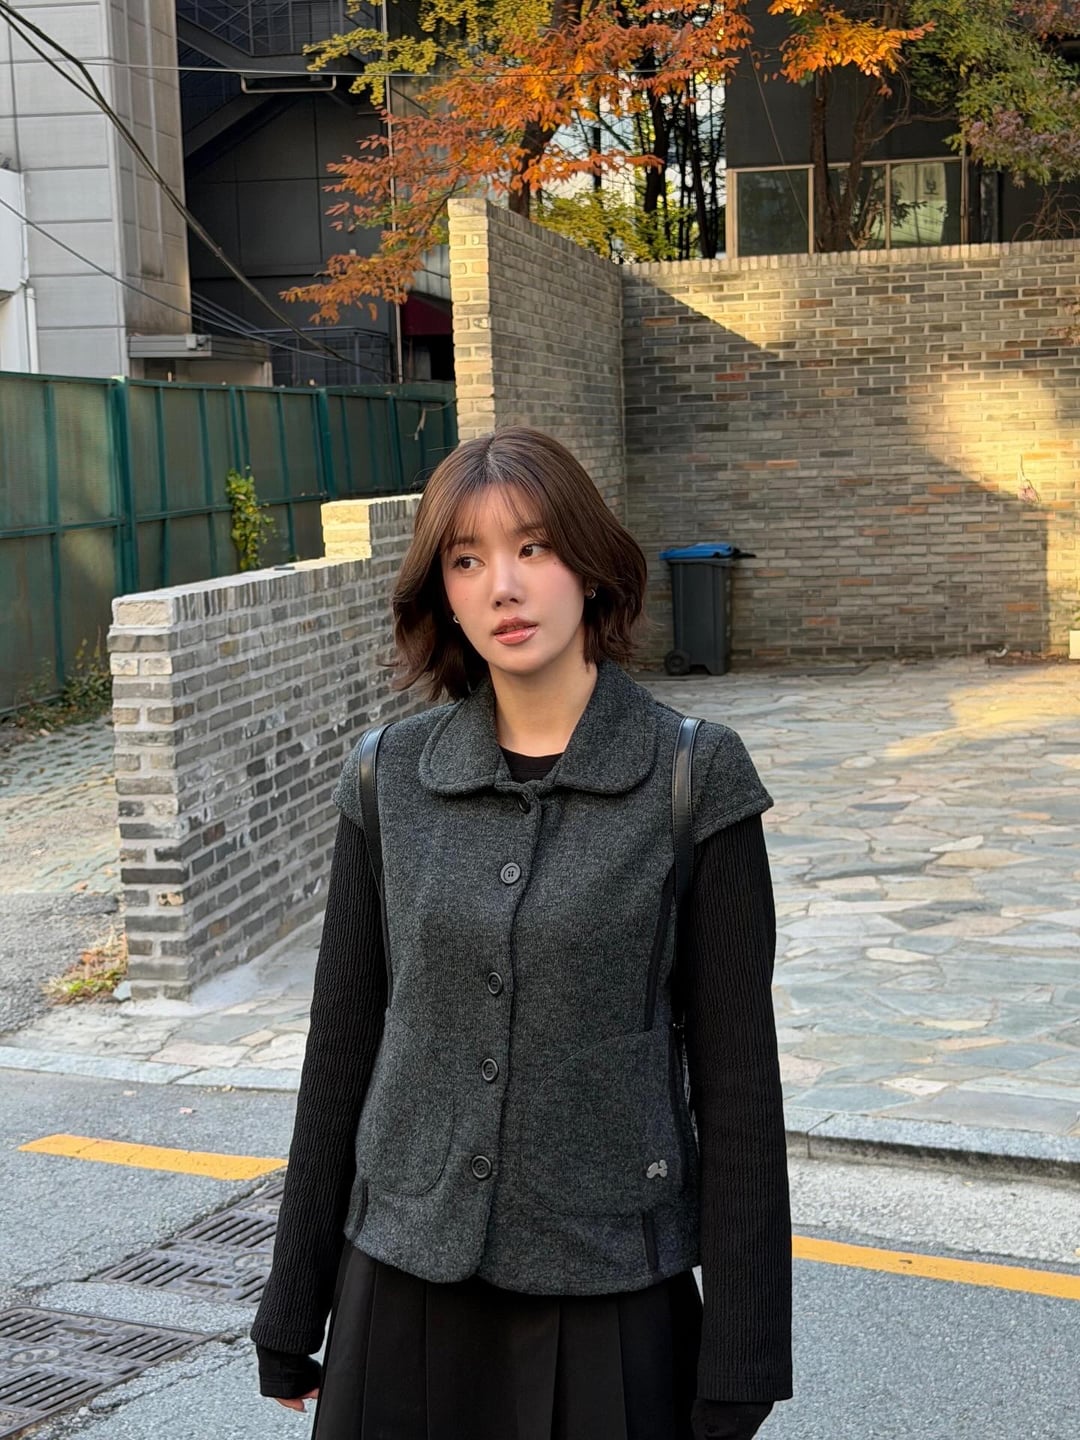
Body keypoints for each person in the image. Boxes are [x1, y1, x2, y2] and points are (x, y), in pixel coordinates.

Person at [250, 426, 792, 1440]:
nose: (503, 586)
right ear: (442, 595)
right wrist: (292, 1304)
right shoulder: (387, 777)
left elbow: (739, 1087)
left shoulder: (693, 776)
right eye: (467, 561)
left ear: (589, 564)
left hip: (609, 1290)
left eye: (533, 547)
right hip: (401, 1286)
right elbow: (343, 1047)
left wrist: (743, 1357)